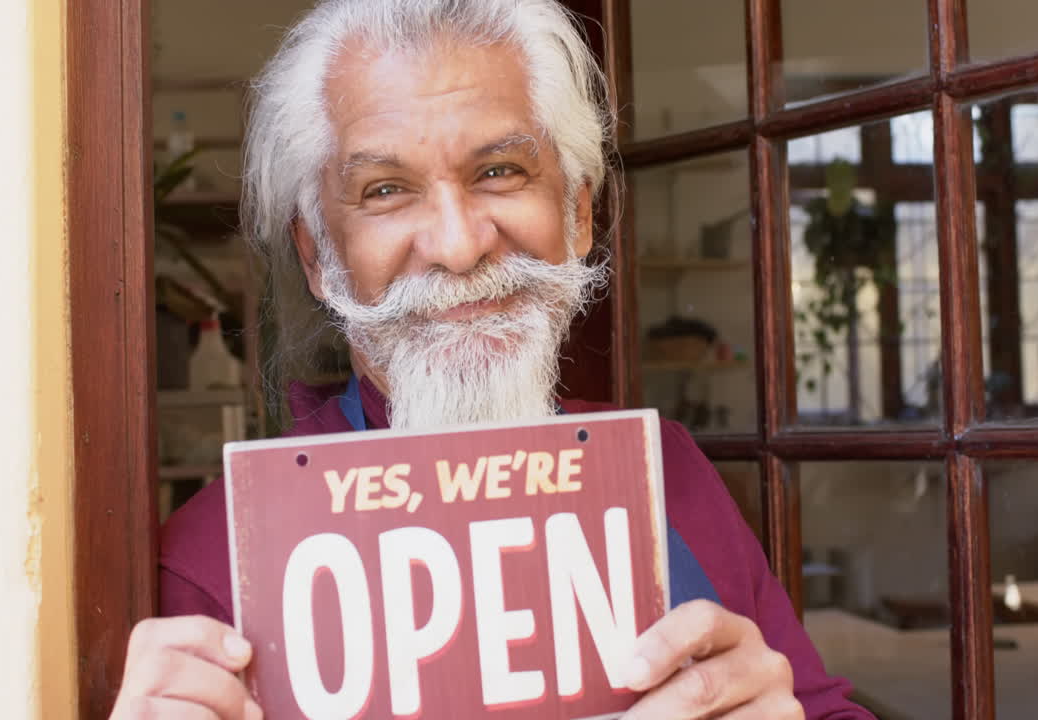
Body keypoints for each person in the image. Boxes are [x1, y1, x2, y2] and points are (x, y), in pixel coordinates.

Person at [111, 1, 875, 718]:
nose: (458, 244)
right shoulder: (216, 563)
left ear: (577, 212)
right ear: (320, 258)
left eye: (499, 171)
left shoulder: (665, 476)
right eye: (384, 189)